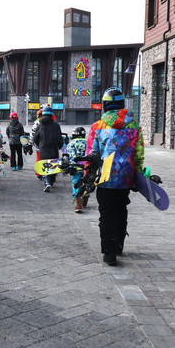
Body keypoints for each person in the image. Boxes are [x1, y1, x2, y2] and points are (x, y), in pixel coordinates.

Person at [86, 87, 145, 266]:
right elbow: (139, 154)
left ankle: (109, 252)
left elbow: (91, 153)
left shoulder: (97, 126)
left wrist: (87, 175)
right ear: (121, 104)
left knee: (106, 214)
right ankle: (119, 243)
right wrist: (138, 175)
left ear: (104, 105)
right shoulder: (134, 125)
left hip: (105, 177)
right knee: (121, 209)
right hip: (126, 177)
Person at [33, 106, 63, 192]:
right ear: (51, 115)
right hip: (53, 149)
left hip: (43, 149)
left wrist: (40, 145)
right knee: (53, 164)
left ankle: (47, 182)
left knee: (44, 164)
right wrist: (60, 145)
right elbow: (59, 138)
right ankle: (52, 181)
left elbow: (35, 138)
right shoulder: (56, 125)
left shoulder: (40, 125)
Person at [66, 126, 88, 213]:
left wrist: (70, 167)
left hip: (76, 168)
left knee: (76, 183)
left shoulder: (71, 144)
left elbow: (71, 157)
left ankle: (78, 202)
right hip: (87, 167)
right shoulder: (88, 142)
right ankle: (86, 196)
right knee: (87, 182)